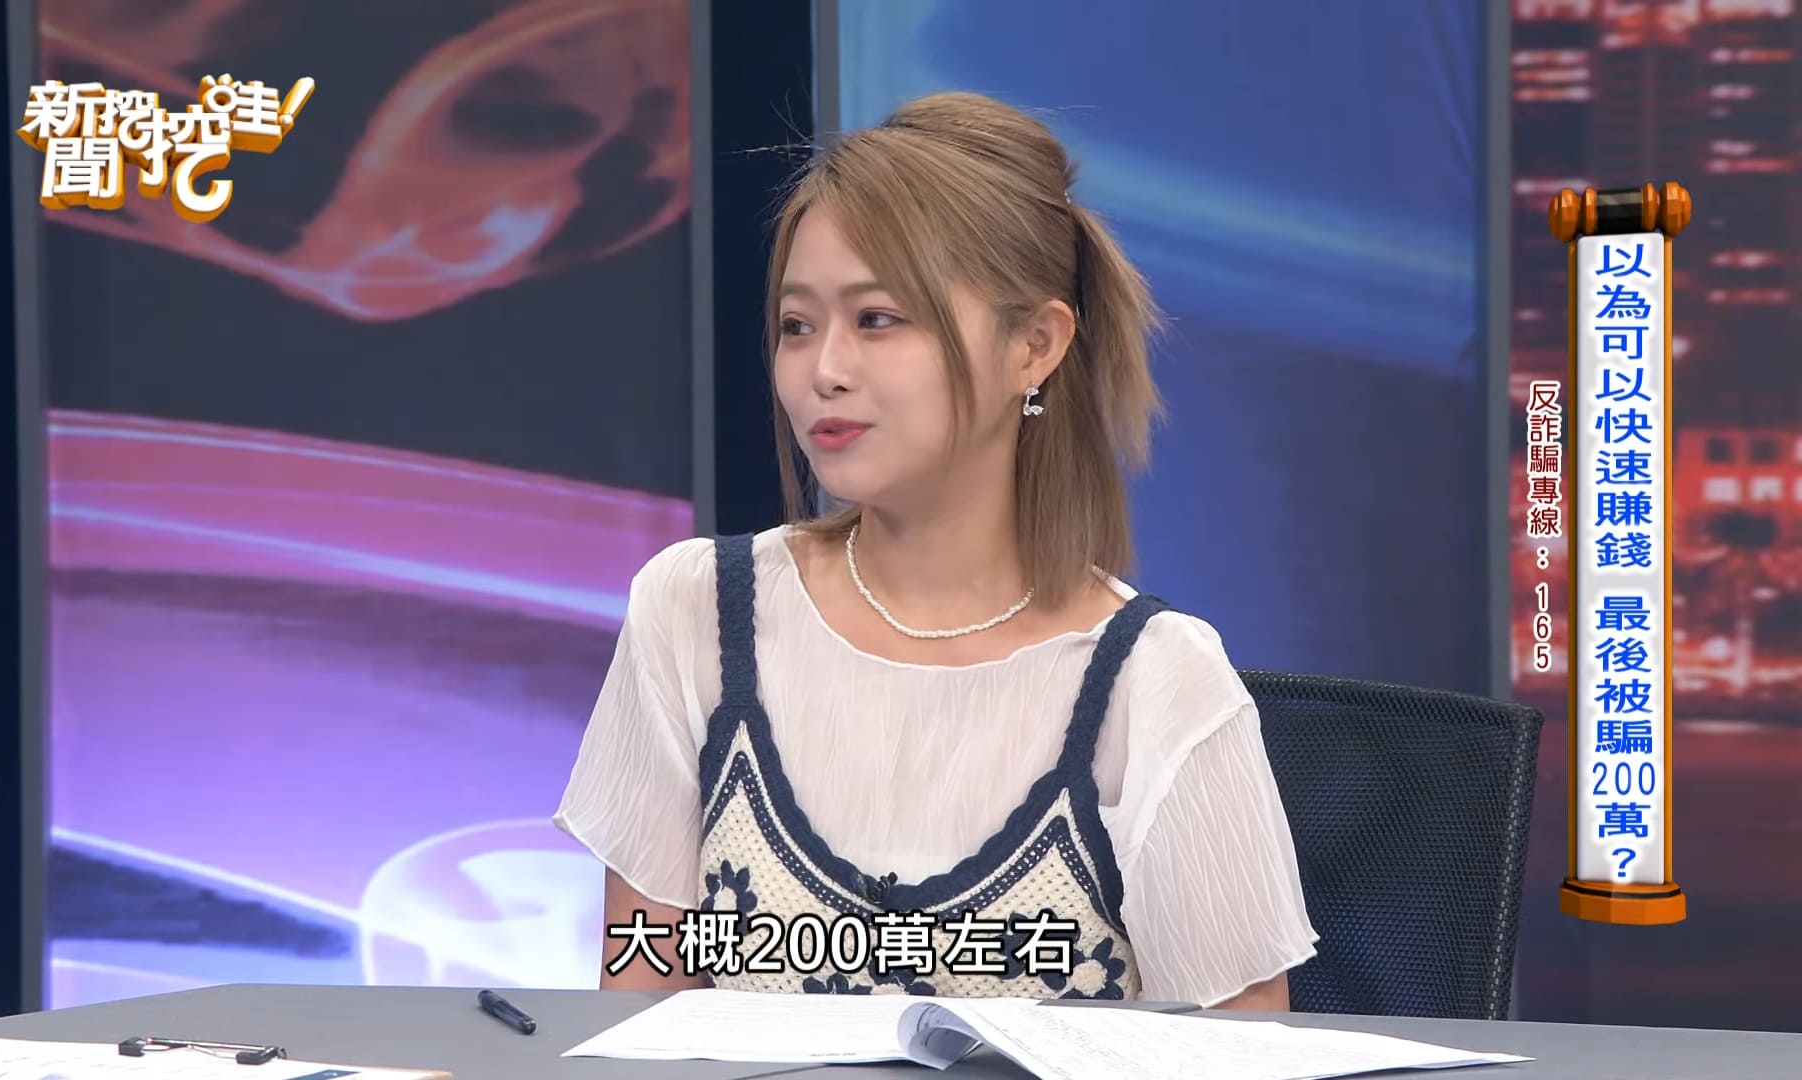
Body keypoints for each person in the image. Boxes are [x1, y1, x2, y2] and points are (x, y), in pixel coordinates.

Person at [554, 91, 1317, 1009]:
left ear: (1034, 344)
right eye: (797, 325)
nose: (824, 370)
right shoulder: (696, 613)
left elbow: (1246, 1053)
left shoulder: (1157, 682)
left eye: (878, 319)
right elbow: (638, 1011)